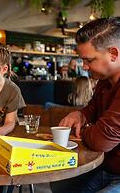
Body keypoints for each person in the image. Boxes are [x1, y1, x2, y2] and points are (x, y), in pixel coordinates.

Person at [50, 17, 120, 193]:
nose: (84, 67)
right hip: (105, 165)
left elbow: (100, 140)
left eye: (89, 60)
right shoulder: (104, 79)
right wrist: (80, 114)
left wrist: (88, 127)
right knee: (59, 184)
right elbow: (92, 107)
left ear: (113, 53)